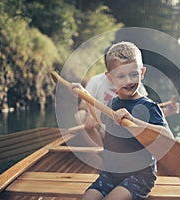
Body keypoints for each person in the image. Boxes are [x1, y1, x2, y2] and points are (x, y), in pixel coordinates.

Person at [73, 41, 174, 200]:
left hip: (140, 176)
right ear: (110, 78)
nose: (128, 81)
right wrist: (84, 94)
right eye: (121, 76)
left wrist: (134, 120)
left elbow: (168, 137)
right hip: (111, 173)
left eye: (133, 74)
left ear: (142, 73)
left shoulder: (149, 106)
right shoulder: (113, 103)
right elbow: (100, 118)